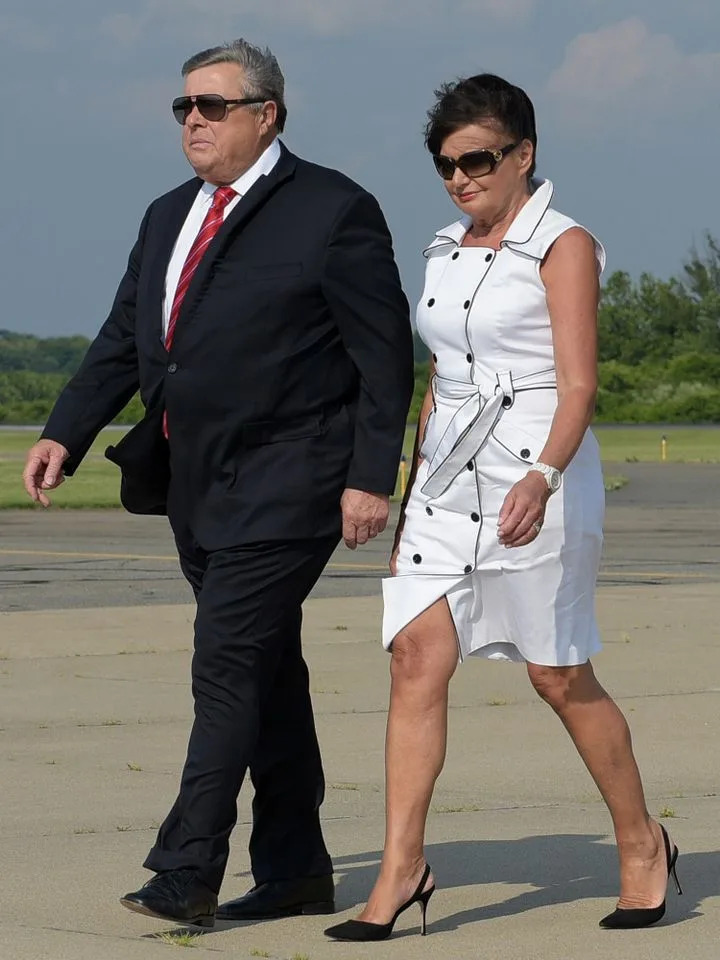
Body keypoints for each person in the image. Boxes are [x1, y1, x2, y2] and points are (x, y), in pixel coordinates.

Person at [23, 39, 413, 929]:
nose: (192, 120)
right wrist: (64, 431)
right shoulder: (169, 214)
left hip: (292, 481)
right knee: (267, 671)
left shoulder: (332, 209)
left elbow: (383, 358)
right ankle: (296, 868)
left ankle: (187, 867)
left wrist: (368, 477)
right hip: (196, 484)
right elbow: (128, 333)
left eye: (211, 106)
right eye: (183, 107)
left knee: (227, 662)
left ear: (265, 114)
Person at [325, 74, 681, 942]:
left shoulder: (562, 245)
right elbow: (440, 379)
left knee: (556, 675)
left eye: (478, 159)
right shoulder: (444, 247)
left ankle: (642, 845)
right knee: (415, 655)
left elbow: (580, 383)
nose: (460, 177)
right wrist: (412, 487)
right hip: (448, 481)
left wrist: (546, 476)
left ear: (524, 154)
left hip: (537, 473)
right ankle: (402, 868)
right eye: (446, 163)